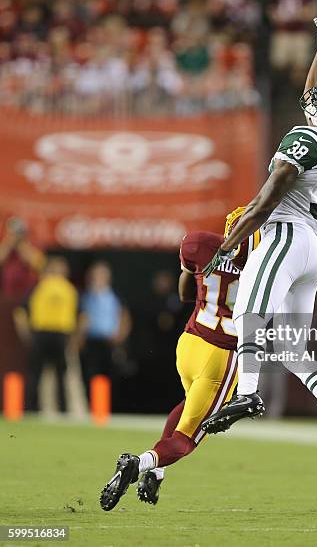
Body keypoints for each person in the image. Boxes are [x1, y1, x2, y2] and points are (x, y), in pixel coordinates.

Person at [201, 10, 317, 474]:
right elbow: (315, 92)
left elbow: (262, 202)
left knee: (247, 314)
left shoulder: (306, 140)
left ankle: (249, 394)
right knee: (294, 348)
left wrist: (226, 245)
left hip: (287, 237)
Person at [99, 208, 260, 511]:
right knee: (188, 438)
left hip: (190, 343)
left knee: (189, 406)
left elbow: (185, 290)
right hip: (221, 355)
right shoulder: (265, 264)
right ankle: (139, 464)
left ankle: (156, 473)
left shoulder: (200, 244)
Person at [13, 257, 78, 412]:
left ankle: (53, 409)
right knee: (40, 373)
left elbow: (80, 315)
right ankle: (35, 409)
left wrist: (25, 332)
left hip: (55, 334)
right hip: (48, 333)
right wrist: (26, 333)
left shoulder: (65, 289)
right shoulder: (49, 288)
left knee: (54, 374)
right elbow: (20, 312)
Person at [78, 262, 131, 402]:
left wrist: (120, 336)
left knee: (110, 374)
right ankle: (93, 405)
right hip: (91, 341)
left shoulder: (115, 295)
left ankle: (109, 406)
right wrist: (79, 339)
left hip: (110, 341)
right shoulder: (85, 296)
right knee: (91, 374)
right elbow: (82, 318)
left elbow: (124, 316)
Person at [0, 217, 45, 301]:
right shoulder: (5, 244)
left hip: (27, 290)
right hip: (8, 290)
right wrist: (9, 244)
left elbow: (37, 264)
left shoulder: (33, 243)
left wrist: (21, 245)